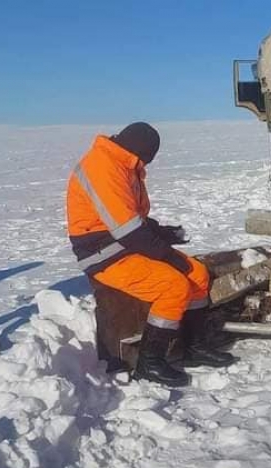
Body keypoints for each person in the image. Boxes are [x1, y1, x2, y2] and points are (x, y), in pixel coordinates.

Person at [65, 122, 236, 386]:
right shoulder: (103, 168)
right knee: (173, 286)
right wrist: (167, 255)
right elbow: (129, 231)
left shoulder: (122, 163)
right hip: (103, 254)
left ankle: (194, 345)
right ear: (141, 153)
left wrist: (162, 232)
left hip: (123, 245)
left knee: (198, 274)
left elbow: (134, 220)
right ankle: (150, 361)